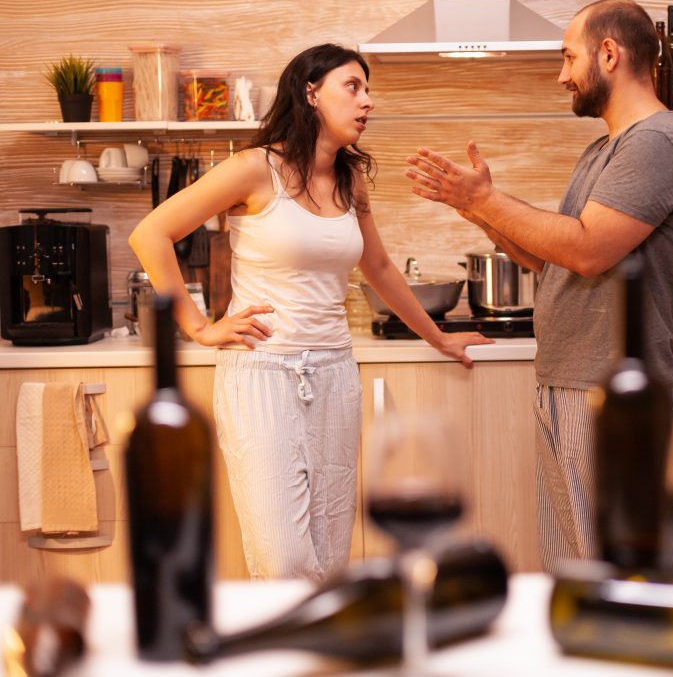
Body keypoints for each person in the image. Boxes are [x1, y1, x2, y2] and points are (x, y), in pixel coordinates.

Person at [129, 44, 491, 583]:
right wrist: (199, 328)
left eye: (368, 89)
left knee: (329, 560)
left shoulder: (350, 181)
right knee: (283, 561)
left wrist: (440, 337)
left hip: (335, 375)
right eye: (353, 86)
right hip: (263, 376)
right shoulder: (255, 169)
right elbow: (150, 234)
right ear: (310, 92)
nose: (367, 101)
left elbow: (382, 268)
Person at [405, 0, 673, 570]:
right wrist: (480, 213)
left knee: (608, 571)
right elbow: (555, 260)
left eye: (570, 57)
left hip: (609, 387)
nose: (563, 74)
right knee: (571, 563)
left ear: (609, 55)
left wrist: (487, 198)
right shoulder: (605, 149)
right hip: (569, 380)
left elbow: (587, 250)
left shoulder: (656, 143)